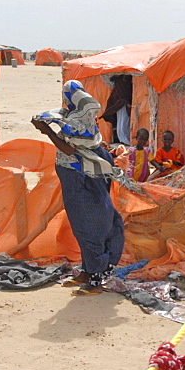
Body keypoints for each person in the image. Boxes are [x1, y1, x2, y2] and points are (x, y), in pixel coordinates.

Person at [32, 80, 126, 296]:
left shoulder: (77, 120)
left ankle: (95, 280)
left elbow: (68, 149)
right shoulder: (81, 115)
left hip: (80, 179)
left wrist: (46, 130)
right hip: (78, 178)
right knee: (82, 225)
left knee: (89, 225)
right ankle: (87, 270)